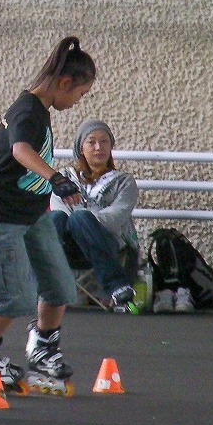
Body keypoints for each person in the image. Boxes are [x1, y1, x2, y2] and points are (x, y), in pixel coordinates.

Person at [0, 36, 95, 395]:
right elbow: (20, 149)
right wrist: (55, 178)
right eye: (80, 94)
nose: (78, 102)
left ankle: (43, 350)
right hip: (2, 215)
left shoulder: (32, 108)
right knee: (14, 297)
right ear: (64, 83)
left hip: (33, 214)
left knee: (59, 286)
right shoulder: (28, 110)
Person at [48, 119, 140, 310]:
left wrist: (85, 220)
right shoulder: (64, 180)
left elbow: (116, 216)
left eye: (104, 141)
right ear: (81, 148)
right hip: (69, 247)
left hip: (107, 243)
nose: (99, 147)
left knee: (79, 218)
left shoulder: (124, 181)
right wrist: (79, 221)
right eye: (92, 142)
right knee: (55, 219)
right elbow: (59, 209)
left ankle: (117, 285)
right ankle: (42, 285)